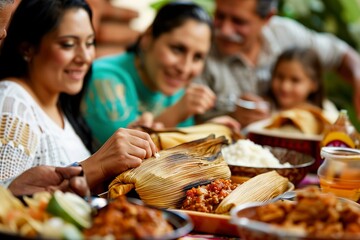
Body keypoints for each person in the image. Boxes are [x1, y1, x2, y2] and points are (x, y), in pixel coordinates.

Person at [0, 0, 157, 195]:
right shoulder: (14, 101)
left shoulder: (60, 105)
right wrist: (96, 165)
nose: (84, 57)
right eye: (68, 44)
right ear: (28, 48)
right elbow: (5, 198)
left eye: (90, 43)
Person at [82, 1, 240, 146]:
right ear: (148, 38)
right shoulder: (104, 78)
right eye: (177, 49)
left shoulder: (172, 86)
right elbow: (122, 155)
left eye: (197, 57)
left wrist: (209, 132)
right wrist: (177, 112)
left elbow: (176, 149)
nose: (185, 68)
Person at [195, 0, 360, 127]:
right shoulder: (198, 47)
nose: (224, 30)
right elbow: (187, 124)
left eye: (238, 21)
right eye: (220, 16)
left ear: (267, 18)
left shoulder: (284, 34)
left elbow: (340, 53)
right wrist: (232, 117)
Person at [268, 47, 338, 121]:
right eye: (280, 77)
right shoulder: (264, 110)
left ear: (314, 84)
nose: (284, 87)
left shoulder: (326, 111)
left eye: (295, 80)